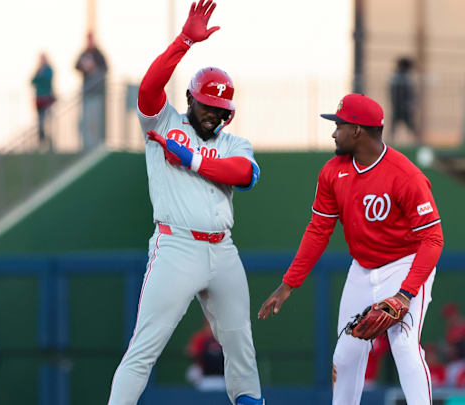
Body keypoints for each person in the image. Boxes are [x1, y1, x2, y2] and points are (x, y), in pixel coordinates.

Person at [107, 2, 264, 404]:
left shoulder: (234, 143)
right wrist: (184, 42)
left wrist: (192, 158)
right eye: (207, 105)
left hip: (222, 249)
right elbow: (147, 90)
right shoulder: (165, 122)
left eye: (221, 109)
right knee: (145, 348)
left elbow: (245, 175)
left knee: (240, 345)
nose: (213, 114)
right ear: (191, 99)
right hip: (176, 245)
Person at [258, 93, 444, 405]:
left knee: (403, 344)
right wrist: (288, 284)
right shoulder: (333, 171)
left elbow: (434, 240)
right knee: (345, 354)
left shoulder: (406, 175)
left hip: (405, 265)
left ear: (357, 130)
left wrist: (405, 293)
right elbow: (319, 231)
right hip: (362, 269)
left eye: (339, 125)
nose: (334, 132)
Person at [75, 31, 108, 150]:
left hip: (97, 94)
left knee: (95, 122)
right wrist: (85, 67)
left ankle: (96, 145)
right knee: (85, 122)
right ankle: (87, 146)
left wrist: (94, 67)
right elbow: (75, 65)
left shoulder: (98, 54)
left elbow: (105, 69)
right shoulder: (84, 53)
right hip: (86, 94)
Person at [186, 319, 227, 391]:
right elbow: (191, 352)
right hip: (204, 377)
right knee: (193, 371)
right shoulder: (200, 336)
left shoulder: (224, 336)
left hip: (223, 377)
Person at [389, 57, 417, 145]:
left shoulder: (399, 78)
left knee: (409, 126)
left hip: (401, 106)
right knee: (396, 127)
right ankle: (389, 142)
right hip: (400, 106)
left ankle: (417, 141)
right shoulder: (400, 78)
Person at [31, 53, 55, 149]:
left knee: (48, 122)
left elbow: (46, 80)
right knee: (40, 123)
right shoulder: (38, 70)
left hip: (47, 100)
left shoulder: (49, 70)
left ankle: (50, 142)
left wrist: (40, 76)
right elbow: (32, 81)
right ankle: (41, 142)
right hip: (39, 101)